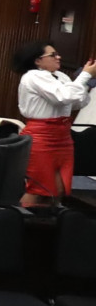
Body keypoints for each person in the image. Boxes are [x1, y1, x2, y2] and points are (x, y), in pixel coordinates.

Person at [13, 40, 96, 206]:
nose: (59, 57)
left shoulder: (62, 76)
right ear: (37, 61)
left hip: (63, 136)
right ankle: (21, 224)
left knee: (58, 189)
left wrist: (86, 84)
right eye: (53, 55)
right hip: (41, 137)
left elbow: (76, 103)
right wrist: (84, 75)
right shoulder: (33, 76)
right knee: (37, 189)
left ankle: (47, 225)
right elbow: (64, 96)